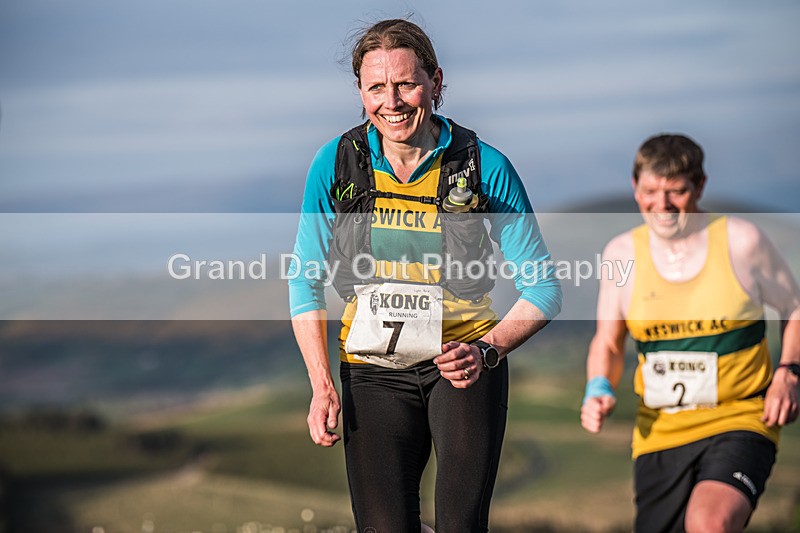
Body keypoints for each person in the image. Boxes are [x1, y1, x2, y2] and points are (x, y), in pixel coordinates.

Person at [288, 18, 561, 533]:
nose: (392, 102)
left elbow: (544, 288)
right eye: (376, 88)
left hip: (461, 365)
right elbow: (303, 279)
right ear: (360, 92)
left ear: (436, 81)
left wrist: (488, 349)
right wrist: (322, 385)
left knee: (460, 525)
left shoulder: (484, 166)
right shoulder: (337, 163)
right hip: (371, 369)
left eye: (407, 84)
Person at [580, 133, 800, 532]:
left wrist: (788, 372)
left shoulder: (741, 241)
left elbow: (795, 307)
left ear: (700, 186)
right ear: (634, 188)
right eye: (650, 191)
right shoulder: (620, 254)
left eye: (676, 191)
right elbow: (609, 342)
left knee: (709, 524)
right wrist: (599, 387)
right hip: (660, 430)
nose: (661, 205)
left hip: (740, 416)